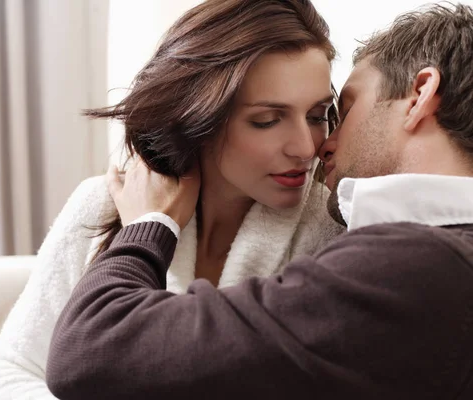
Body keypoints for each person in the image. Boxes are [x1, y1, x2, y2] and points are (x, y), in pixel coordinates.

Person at [0, 1, 345, 399]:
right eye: (267, 120)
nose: (306, 148)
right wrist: (152, 227)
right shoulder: (104, 202)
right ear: (199, 116)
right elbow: (9, 372)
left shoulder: (329, 232)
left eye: (319, 115)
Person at [45, 3, 473, 400]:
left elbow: (92, 350)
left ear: (419, 95)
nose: (317, 147)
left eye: (336, 110)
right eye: (268, 120)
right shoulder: (433, 256)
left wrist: (148, 227)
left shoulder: (414, 265)